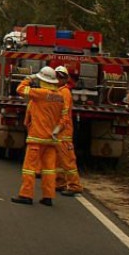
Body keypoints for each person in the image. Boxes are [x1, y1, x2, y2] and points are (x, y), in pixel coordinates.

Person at [11, 66, 64, 206]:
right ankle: (48, 196)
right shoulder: (59, 96)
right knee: (49, 170)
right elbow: (62, 118)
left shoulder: (40, 93)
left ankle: (26, 195)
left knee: (29, 167)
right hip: (51, 139)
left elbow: (20, 89)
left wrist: (30, 77)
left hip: (37, 138)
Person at [53, 65, 84, 196]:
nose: (58, 79)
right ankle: (60, 182)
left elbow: (65, 115)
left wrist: (58, 128)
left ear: (66, 78)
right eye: (57, 76)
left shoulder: (65, 93)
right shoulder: (58, 91)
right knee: (59, 161)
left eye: (61, 77)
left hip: (64, 133)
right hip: (59, 133)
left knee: (68, 161)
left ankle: (74, 186)